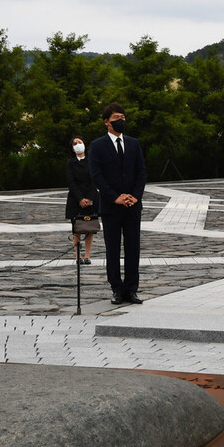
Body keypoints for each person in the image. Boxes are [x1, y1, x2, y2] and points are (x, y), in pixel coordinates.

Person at [89, 103, 147, 305]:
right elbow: (97, 176)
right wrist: (115, 197)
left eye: (123, 116)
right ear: (107, 122)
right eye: (116, 117)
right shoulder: (97, 146)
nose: (120, 120)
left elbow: (141, 172)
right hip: (111, 207)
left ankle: (131, 289)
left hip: (132, 206)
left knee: (133, 248)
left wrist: (135, 196)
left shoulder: (134, 143)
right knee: (112, 249)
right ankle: (116, 288)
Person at [65, 136, 99, 265]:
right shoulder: (70, 163)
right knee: (77, 228)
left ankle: (87, 255)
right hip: (75, 199)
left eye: (80, 142)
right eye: (75, 143)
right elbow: (71, 181)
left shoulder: (92, 161)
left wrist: (89, 198)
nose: (78, 145)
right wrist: (80, 198)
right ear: (72, 148)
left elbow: (94, 180)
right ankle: (77, 256)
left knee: (89, 227)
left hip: (91, 197)